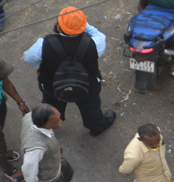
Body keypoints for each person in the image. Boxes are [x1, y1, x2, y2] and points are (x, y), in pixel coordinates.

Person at [22, 7, 116, 136]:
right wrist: (82, 24)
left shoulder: (43, 44)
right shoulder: (95, 43)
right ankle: (96, 127)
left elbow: (29, 59)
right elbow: (100, 35)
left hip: (52, 86)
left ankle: (54, 121)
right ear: (83, 28)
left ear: (59, 26)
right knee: (91, 107)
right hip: (88, 86)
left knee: (53, 105)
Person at [19, 104, 82, 182]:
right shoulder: (36, 147)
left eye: (59, 117)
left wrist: (55, 147)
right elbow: (28, 168)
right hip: (49, 175)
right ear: (43, 124)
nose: (61, 121)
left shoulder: (29, 117)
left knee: (67, 172)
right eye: (55, 121)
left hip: (54, 161)